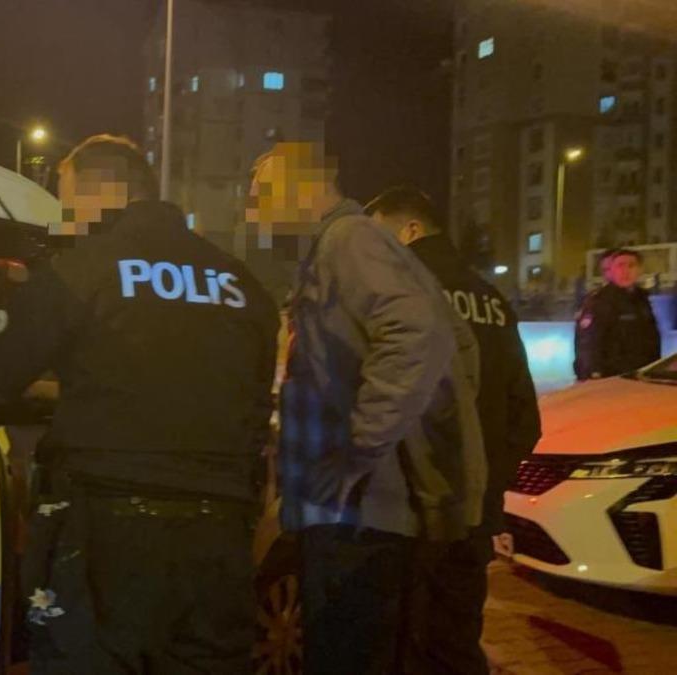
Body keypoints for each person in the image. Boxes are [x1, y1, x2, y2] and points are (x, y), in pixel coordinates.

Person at [0, 134, 278, 673]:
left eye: (69, 203)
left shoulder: (81, 271)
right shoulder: (242, 285)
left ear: (104, 191)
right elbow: (240, 395)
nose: (66, 221)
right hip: (218, 535)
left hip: (107, 534)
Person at [252, 143, 485, 675]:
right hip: (358, 511)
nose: (253, 211)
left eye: (261, 194)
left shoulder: (348, 240)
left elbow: (418, 334)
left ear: (301, 189)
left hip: (358, 517)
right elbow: (461, 348)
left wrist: (358, 448)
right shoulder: (342, 248)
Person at [367, 186, 541, 675]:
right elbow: (525, 418)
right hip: (472, 514)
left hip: (406, 517)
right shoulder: (492, 301)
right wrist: (483, 485)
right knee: (458, 641)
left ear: (410, 230)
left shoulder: (395, 295)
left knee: (403, 645)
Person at [574, 248, 661, 380]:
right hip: (611, 377)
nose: (626, 271)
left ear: (639, 270)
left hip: (640, 375)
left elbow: (651, 338)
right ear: (611, 271)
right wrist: (593, 374)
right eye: (620, 266)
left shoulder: (642, 299)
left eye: (631, 266)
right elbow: (588, 343)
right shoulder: (600, 301)